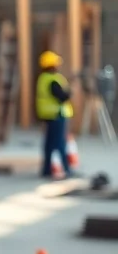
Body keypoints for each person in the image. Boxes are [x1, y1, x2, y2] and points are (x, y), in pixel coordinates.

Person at [37, 50, 74, 178]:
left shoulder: (43, 78)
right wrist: (69, 92)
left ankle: (46, 170)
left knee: (49, 144)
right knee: (59, 143)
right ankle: (66, 169)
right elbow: (62, 96)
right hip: (56, 115)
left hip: (47, 115)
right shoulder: (53, 80)